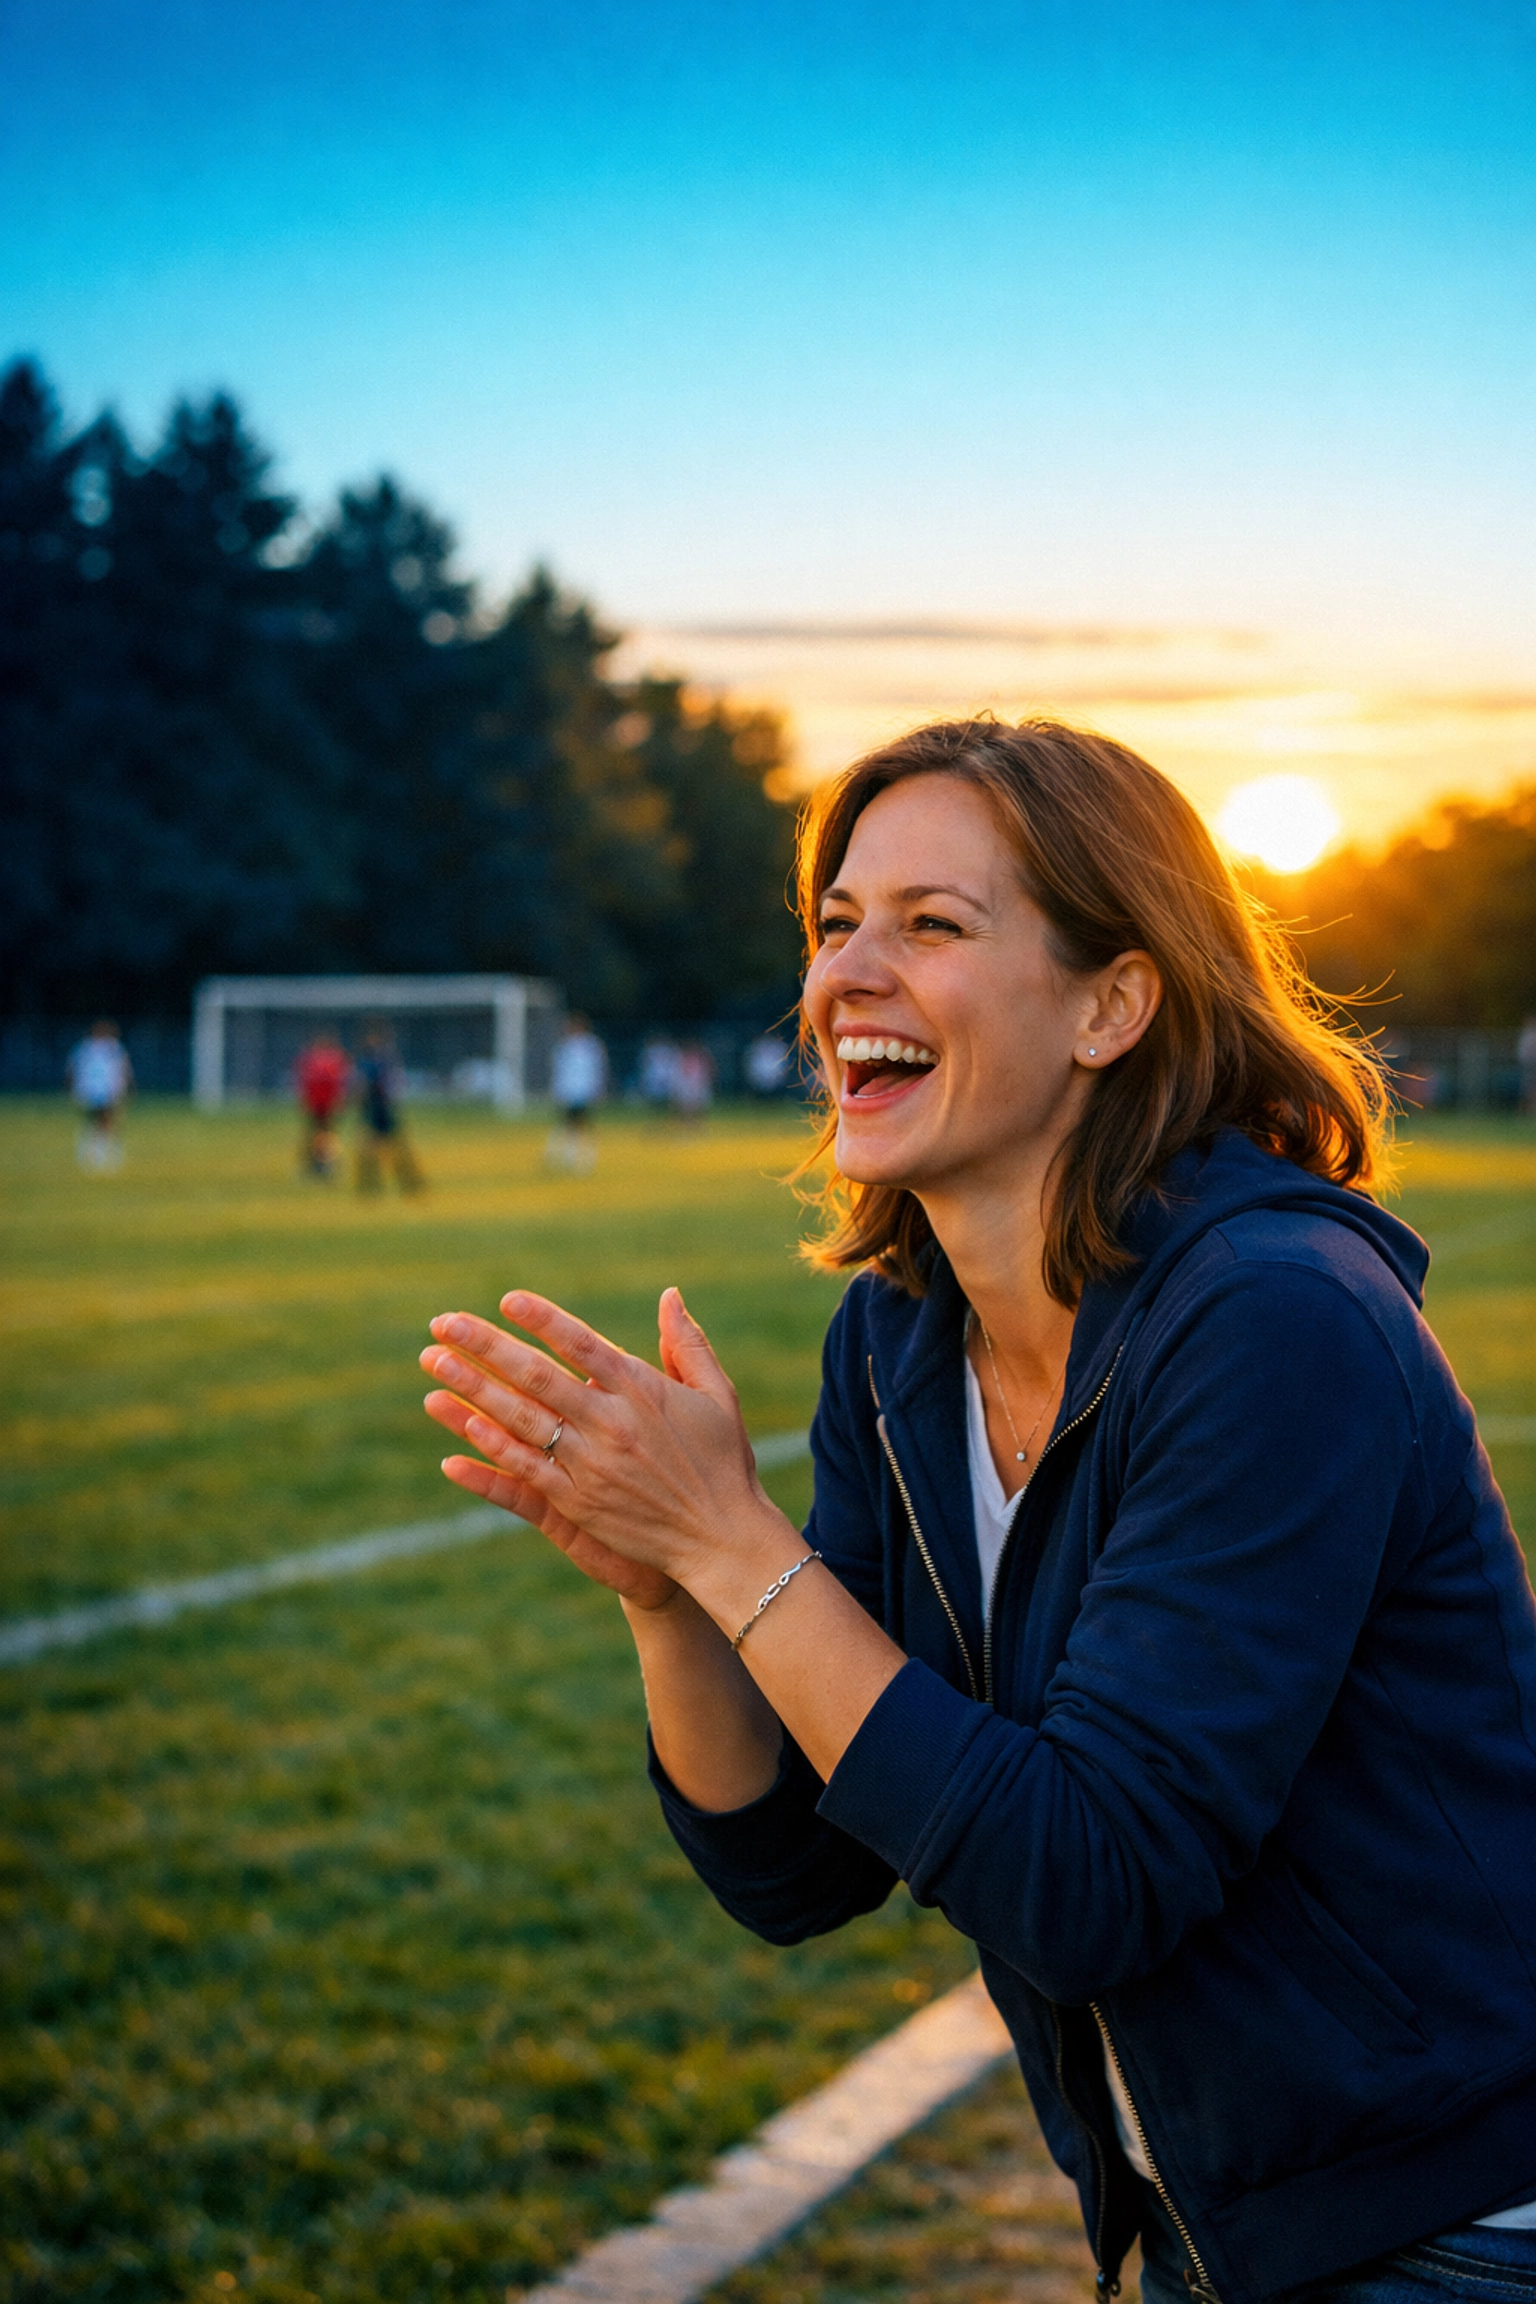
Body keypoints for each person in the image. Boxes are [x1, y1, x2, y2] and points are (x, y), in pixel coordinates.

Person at [420, 719, 1536, 2304]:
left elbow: (1089, 1878)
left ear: (1112, 1004)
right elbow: (798, 1870)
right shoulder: (898, 1337)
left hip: (1461, 2230)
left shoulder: (1278, 1317)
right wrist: (668, 1587)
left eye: (932, 924)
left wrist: (737, 1541)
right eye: (835, 925)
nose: (847, 974)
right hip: (1221, 2234)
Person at [354, 1023, 424, 1194]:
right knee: (369, 1150)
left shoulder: (385, 1059)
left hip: (384, 1110)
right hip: (372, 1110)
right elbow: (362, 1087)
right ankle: (371, 1186)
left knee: (398, 1149)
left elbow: (393, 1084)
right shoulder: (367, 1060)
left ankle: (410, 1183)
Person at [66, 1018, 134, 1171]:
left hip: (108, 1090)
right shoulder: (85, 1048)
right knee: (96, 1122)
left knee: (106, 1122)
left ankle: (103, 1155)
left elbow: (124, 1068)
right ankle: (95, 1155)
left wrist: (126, 1086)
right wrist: (72, 1087)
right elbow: (72, 1068)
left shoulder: (113, 1048)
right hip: (91, 1090)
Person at [547, 1015, 608, 1173]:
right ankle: (569, 1158)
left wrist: (598, 1089)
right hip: (569, 1091)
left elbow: (598, 1068)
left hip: (584, 1090)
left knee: (580, 1125)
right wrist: (558, 1091)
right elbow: (559, 1071)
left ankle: (583, 1159)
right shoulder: (564, 1046)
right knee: (570, 1125)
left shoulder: (591, 1045)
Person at [294, 1033, 351, 1179]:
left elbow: (339, 1084)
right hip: (319, 1103)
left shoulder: (322, 1059)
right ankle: (320, 1164)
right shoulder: (320, 1059)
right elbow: (305, 1083)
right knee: (321, 1135)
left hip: (324, 1104)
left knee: (323, 1135)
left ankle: (325, 1164)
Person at [669, 1040, 714, 1128]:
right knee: (685, 1107)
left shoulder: (702, 1058)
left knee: (699, 1107)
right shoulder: (680, 1059)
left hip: (698, 1085)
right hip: (687, 1085)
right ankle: (685, 1125)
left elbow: (708, 1071)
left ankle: (698, 1125)